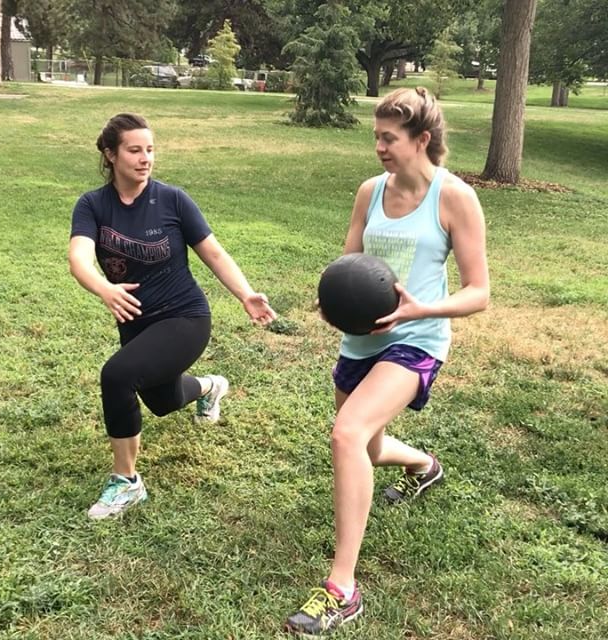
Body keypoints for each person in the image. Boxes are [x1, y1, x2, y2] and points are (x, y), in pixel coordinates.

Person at [284, 87, 490, 636]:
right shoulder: (369, 192)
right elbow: (351, 261)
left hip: (417, 337)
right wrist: (331, 300)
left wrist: (422, 308)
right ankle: (424, 464)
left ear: (421, 140)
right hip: (363, 339)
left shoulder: (455, 198)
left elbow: (479, 292)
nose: (378, 146)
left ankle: (341, 589)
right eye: (375, 136)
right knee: (369, 446)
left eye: (389, 137)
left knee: (347, 434)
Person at [68, 113, 276, 520]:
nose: (145, 158)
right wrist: (103, 288)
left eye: (150, 149)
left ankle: (126, 483)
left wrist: (246, 294)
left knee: (117, 376)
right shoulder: (93, 204)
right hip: (137, 325)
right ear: (110, 154)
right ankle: (211, 387)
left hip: (185, 317)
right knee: (162, 401)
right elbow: (78, 256)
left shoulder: (172, 200)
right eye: (134, 150)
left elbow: (213, 252)